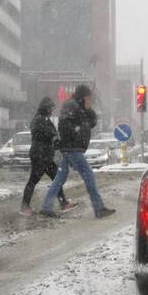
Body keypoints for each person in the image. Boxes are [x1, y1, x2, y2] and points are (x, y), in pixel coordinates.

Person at [40, 85, 116, 219]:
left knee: (60, 178)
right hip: (73, 148)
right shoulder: (71, 105)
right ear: (82, 97)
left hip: (73, 148)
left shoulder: (79, 108)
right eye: (89, 98)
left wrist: (88, 111)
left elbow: (91, 123)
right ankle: (99, 208)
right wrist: (75, 134)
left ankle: (46, 207)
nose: (90, 101)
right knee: (89, 176)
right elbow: (64, 125)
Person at [20, 97, 75, 216]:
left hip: (43, 155)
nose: (51, 110)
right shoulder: (41, 120)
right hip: (41, 155)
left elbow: (50, 136)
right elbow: (50, 135)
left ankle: (63, 202)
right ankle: (24, 207)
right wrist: (57, 142)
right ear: (46, 108)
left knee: (56, 179)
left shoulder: (41, 119)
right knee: (34, 181)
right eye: (50, 108)